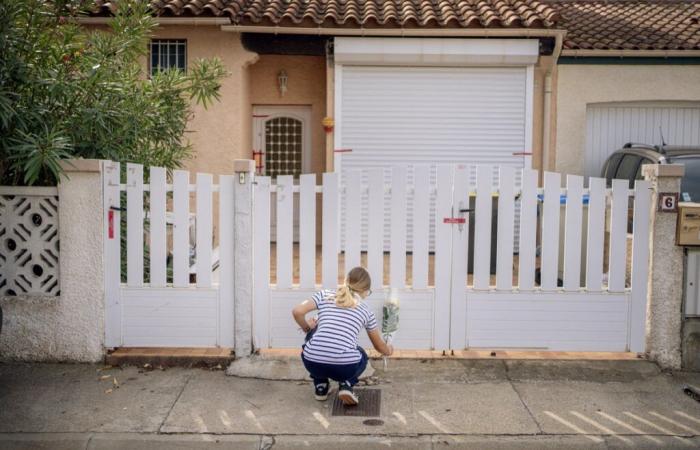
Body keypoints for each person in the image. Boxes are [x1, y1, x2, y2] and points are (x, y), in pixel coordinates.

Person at [291, 266, 393, 406]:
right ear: (364, 291)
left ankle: (321, 386)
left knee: (313, 336)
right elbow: (378, 345)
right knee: (362, 355)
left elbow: (297, 311)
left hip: (312, 362)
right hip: (344, 366)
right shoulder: (366, 311)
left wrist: (307, 328)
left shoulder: (325, 294)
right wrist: (388, 350)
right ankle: (346, 384)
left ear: (346, 281)